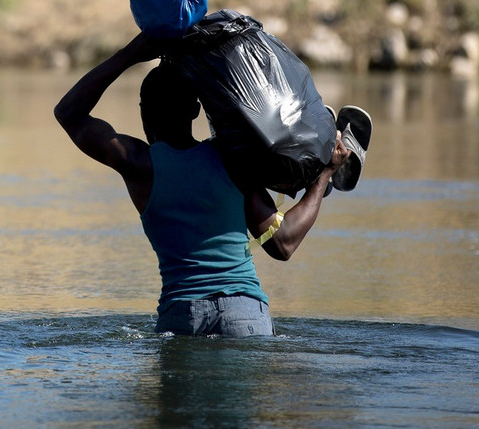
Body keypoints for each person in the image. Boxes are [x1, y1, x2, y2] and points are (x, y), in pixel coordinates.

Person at [54, 33, 351, 337]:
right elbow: (283, 242)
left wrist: (130, 54)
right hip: (244, 315)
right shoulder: (230, 158)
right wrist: (324, 176)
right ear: (196, 110)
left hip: (181, 315)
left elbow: (69, 113)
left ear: (144, 110)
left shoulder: (139, 164)